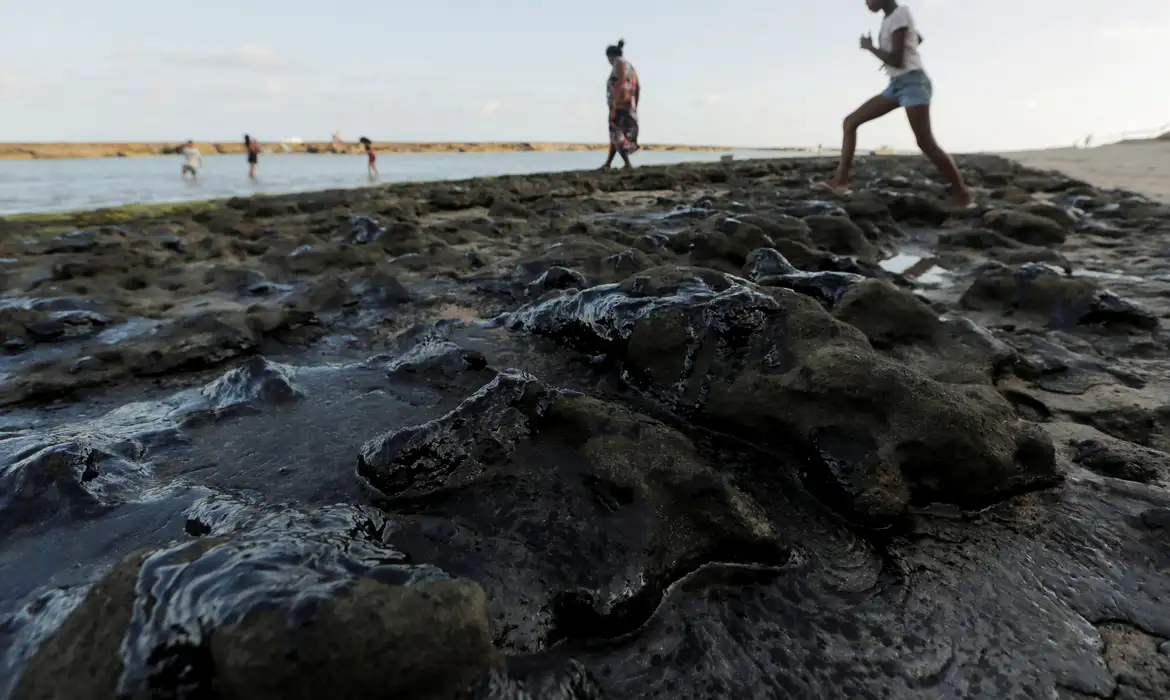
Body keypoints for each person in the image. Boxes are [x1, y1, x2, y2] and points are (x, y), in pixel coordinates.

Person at [815, 1, 970, 208]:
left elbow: (897, 60)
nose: (866, 2)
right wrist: (909, 44)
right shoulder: (890, 19)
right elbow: (917, 38)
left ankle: (962, 193)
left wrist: (870, 48)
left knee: (925, 141)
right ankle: (840, 182)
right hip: (896, 85)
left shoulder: (900, 14)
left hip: (913, 83)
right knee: (850, 122)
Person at [601, 39, 640, 170]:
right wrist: (635, 106)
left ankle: (626, 163)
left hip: (620, 104)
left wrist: (615, 103)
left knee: (616, 133)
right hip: (628, 104)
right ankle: (609, 163)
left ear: (610, 56)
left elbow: (621, 81)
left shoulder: (619, 63)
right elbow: (638, 87)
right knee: (617, 133)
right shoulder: (631, 67)